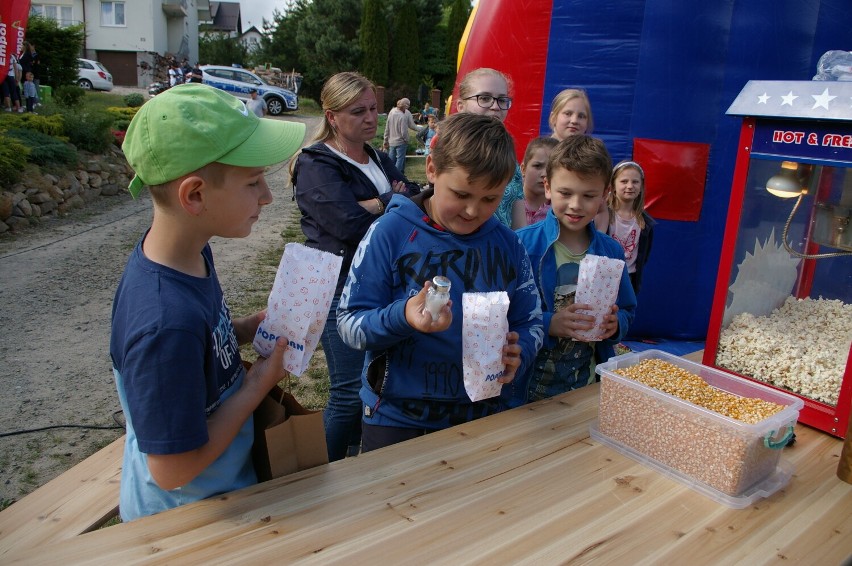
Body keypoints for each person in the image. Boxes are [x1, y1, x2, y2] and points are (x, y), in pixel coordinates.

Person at [110, 84, 307, 522]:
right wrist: (256, 387)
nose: (267, 196)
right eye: (253, 182)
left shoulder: (190, 254)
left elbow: (196, 345)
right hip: (188, 519)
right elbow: (171, 469)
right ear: (195, 195)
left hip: (224, 486)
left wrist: (240, 329)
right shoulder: (164, 323)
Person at [337, 112, 544, 452]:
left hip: (483, 414)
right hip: (396, 418)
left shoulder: (509, 245)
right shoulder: (390, 233)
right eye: (461, 194)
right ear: (431, 169)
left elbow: (531, 319)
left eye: (490, 199)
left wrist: (521, 349)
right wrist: (403, 315)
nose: (473, 211)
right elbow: (348, 324)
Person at [291, 72, 421, 462]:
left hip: (379, 284)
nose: (370, 118)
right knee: (348, 392)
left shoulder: (376, 156)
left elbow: (416, 196)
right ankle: (322, 473)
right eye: (358, 111)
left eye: (373, 109)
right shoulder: (316, 163)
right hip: (337, 286)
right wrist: (387, 200)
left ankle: (351, 464)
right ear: (332, 116)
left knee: (373, 384)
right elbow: (345, 225)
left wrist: (373, 203)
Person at [516, 135, 636, 402]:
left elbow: (628, 309)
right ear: (548, 187)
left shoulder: (612, 251)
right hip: (526, 389)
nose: (576, 205)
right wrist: (549, 323)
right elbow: (506, 312)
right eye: (566, 193)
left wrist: (616, 325)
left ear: (605, 195)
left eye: (589, 195)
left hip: (585, 385)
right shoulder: (522, 244)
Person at [455, 67, 523, 228]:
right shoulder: (450, 154)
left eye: (501, 100)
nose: (495, 106)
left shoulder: (510, 160)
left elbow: (520, 226)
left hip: (502, 250)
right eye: (484, 98)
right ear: (460, 106)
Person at [597, 160, 655, 294]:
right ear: (613, 185)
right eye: (624, 181)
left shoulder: (645, 222)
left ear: (641, 186)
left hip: (628, 278)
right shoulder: (602, 214)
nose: (630, 186)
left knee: (622, 314)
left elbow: (643, 255)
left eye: (635, 182)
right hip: (602, 276)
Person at [512, 136, 558, 229]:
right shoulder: (508, 204)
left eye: (551, 168)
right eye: (537, 166)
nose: (544, 174)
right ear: (523, 169)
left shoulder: (559, 212)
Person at [382, 97, 422, 174]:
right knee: (400, 160)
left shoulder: (392, 112)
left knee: (391, 160)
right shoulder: (402, 116)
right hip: (401, 142)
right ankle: (397, 176)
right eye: (408, 106)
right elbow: (404, 132)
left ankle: (390, 175)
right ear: (405, 106)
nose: (409, 108)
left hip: (391, 141)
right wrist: (406, 140)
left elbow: (387, 127)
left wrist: (385, 140)